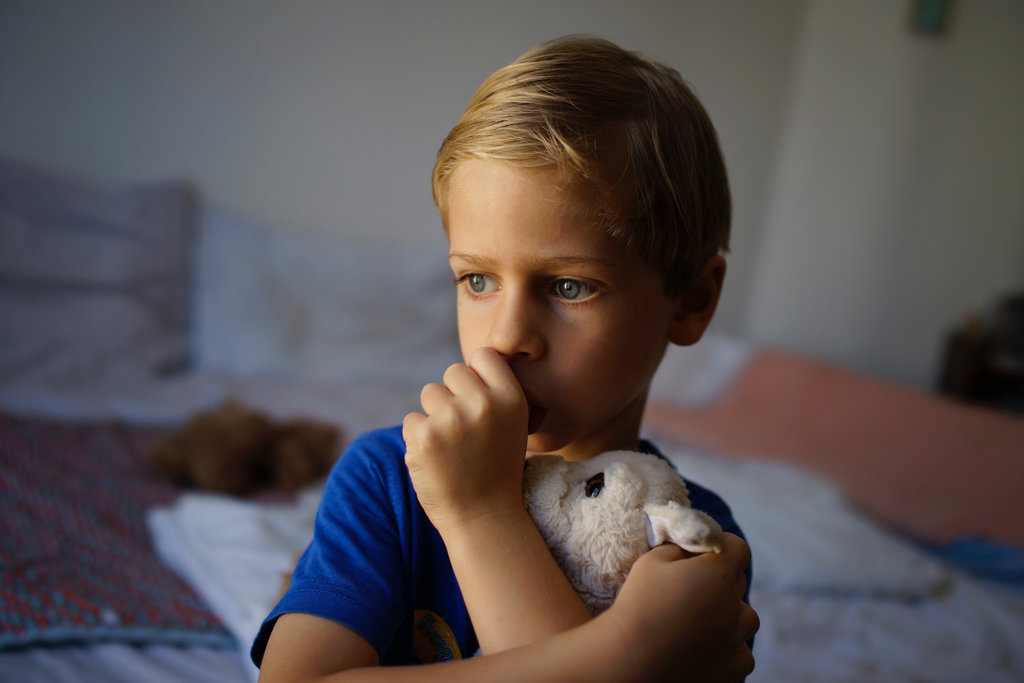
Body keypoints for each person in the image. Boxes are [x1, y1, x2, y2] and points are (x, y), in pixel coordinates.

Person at [253, 35, 758, 682]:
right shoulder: (391, 478)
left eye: (569, 286)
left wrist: (483, 514)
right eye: (478, 280)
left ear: (690, 299)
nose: (506, 335)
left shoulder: (692, 534)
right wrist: (622, 656)